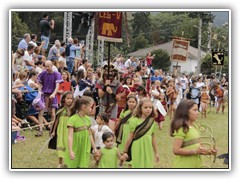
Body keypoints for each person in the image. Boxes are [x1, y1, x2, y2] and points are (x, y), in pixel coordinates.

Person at [170, 99, 217, 168]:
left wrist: (210, 151)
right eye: (194, 110)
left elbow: (200, 148)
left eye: (197, 110)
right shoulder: (182, 128)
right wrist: (194, 151)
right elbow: (176, 150)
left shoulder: (195, 127)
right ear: (185, 112)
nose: (198, 113)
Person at [123, 98, 160, 168]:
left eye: (150, 107)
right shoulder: (134, 121)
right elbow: (130, 137)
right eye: (145, 107)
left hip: (148, 147)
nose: (148, 109)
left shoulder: (152, 122)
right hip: (137, 146)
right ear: (140, 108)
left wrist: (156, 152)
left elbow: (153, 139)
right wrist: (125, 151)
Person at [64, 96, 98, 168]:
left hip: (85, 147)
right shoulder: (73, 119)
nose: (91, 109)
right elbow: (70, 136)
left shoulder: (88, 119)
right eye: (90, 107)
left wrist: (94, 148)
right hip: (75, 147)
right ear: (84, 107)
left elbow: (90, 135)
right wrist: (70, 150)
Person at [36, 60, 63, 137]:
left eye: (48, 66)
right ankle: (40, 130)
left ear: (52, 66)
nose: (47, 68)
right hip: (44, 95)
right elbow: (40, 84)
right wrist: (39, 92)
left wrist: (54, 94)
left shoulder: (56, 74)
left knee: (53, 113)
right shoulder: (43, 73)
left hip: (52, 95)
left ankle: (51, 130)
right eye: (45, 66)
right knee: (41, 113)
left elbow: (57, 85)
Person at [50, 91, 73, 168]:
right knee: (60, 144)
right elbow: (57, 120)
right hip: (61, 129)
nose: (69, 100)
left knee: (68, 144)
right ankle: (60, 163)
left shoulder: (73, 109)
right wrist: (53, 131)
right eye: (68, 98)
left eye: (71, 98)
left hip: (68, 129)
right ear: (64, 99)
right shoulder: (60, 109)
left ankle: (67, 162)